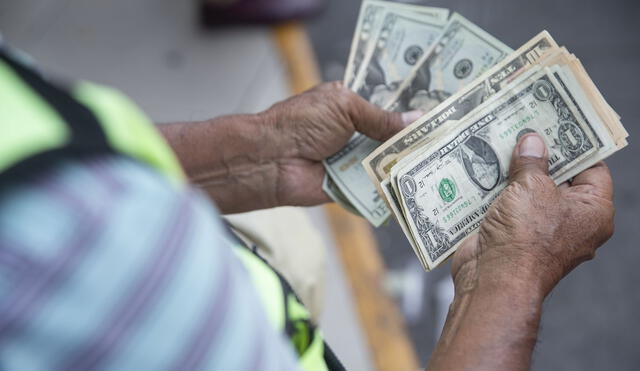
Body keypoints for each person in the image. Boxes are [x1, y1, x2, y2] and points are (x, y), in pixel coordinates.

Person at [0, 41, 614, 371]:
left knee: (298, 252)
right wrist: (511, 282)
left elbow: (81, 146)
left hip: (262, 304)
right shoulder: (60, 267)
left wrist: (249, 157)